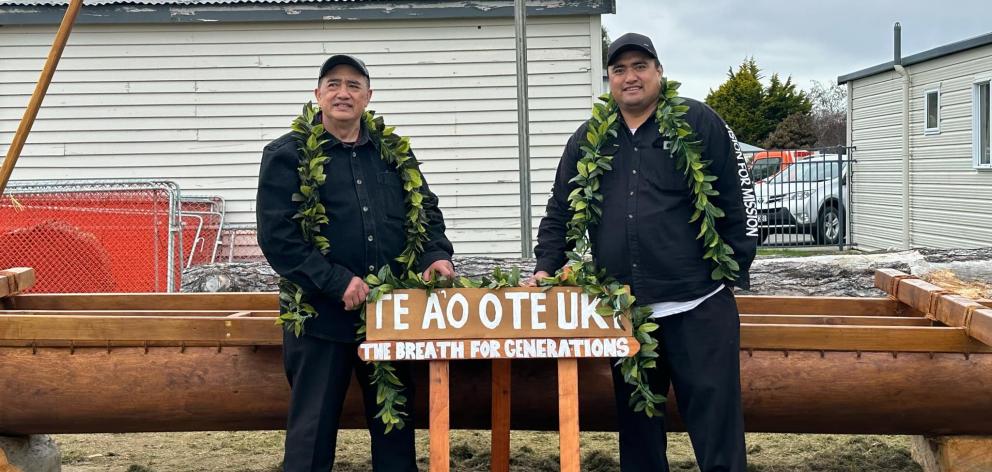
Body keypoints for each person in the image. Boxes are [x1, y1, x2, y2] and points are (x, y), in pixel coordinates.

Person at [526, 33, 759, 471]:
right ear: (608, 79)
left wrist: (731, 269)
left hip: (699, 305)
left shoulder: (699, 121)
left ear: (658, 71)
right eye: (619, 70)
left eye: (639, 67)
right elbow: (559, 210)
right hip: (628, 313)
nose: (630, 77)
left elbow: (738, 199)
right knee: (638, 434)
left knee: (716, 427)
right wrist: (546, 266)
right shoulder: (589, 140)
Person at [256, 54, 454, 471]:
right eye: (333, 84)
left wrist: (435, 254)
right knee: (312, 433)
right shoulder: (286, 155)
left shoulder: (394, 154)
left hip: (391, 315)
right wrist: (334, 281)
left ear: (368, 96)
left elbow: (426, 211)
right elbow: (279, 238)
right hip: (320, 318)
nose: (343, 93)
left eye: (353, 85)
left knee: (395, 430)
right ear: (318, 94)